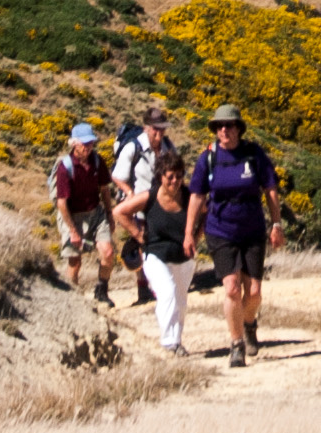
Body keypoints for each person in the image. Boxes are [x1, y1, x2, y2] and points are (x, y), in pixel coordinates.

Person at [184, 104, 283, 368]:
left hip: (252, 230)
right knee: (231, 288)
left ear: (239, 128)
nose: (223, 130)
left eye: (228, 125)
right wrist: (189, 233)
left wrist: (276, 224)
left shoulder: (253, 154)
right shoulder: (208, 158)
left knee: (254, 293)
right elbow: (196, 196)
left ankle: (249, 323)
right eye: (219, 126)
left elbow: (270, 189)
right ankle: (236, 343)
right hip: (220, 230)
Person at [112, 161, 196, 355]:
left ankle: (177, 341)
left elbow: (207, 211)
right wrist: (139, 235)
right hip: (155, 254)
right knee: (167, 292)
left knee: (180, 300)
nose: (175, 181)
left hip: (183, 256)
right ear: (160, 177)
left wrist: (195, 236)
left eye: (179, 176)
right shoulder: (150, 196)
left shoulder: (189, 196)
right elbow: (119, 211)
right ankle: (168, 342)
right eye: (170, 177)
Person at [50, 122, 115, 309]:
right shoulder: (65, 168)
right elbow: (62, 203)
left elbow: (104, 189)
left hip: (96, 213)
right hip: (72, 216)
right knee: (75, 262)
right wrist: (72, 231)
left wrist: (109, 214)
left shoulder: (97, 161)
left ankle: (101, 291)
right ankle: (72, 301)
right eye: (84, 144)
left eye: (91, 143)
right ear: (74, 144)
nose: (88, 148)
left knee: (108, 252)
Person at [111, 106, 180, 282]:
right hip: (140, 205)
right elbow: (118, 176)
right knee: (144, 242)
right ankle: (143, 286)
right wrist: (129, 193)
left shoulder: (168, 146)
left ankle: (159, 280)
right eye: (156, 128)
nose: (160, 132)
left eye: (163, 128)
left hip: (163, 203)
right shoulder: (133, 147)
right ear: (146, 128)